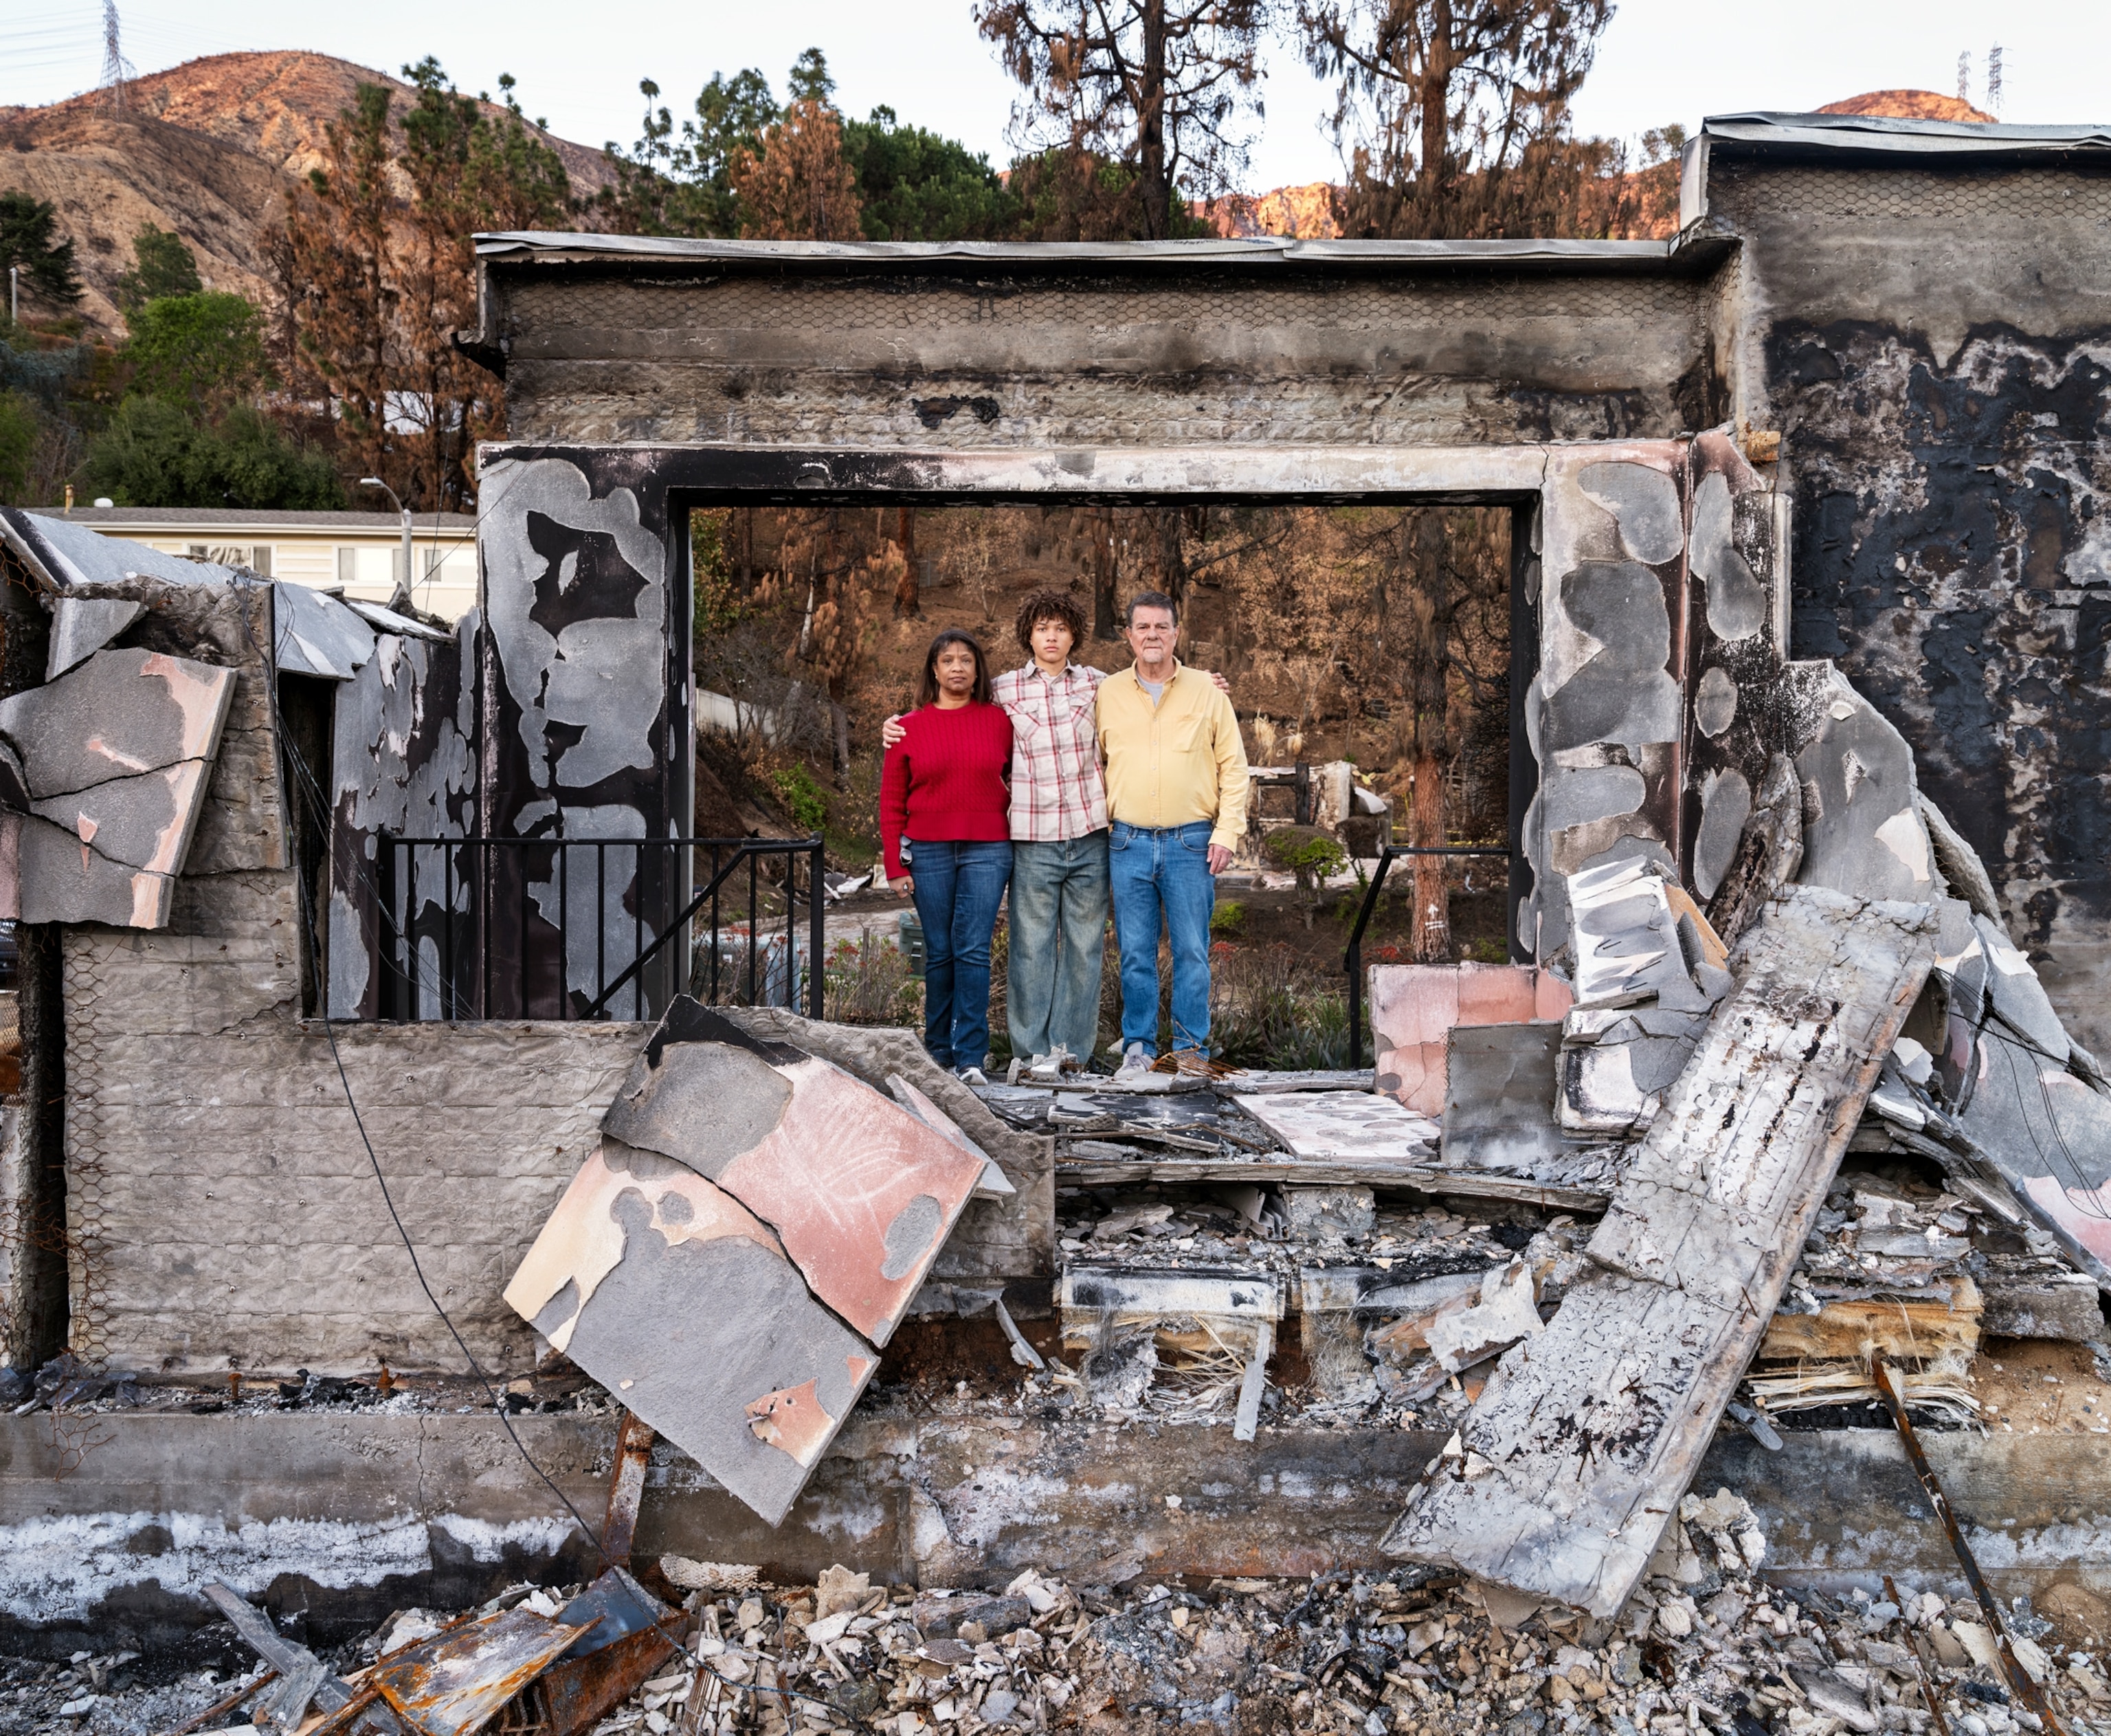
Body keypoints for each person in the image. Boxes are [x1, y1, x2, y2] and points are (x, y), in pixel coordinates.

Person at [882, 591, 1233, 1067]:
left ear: (1074, 636)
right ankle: (1030, 1055)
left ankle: (1072, 1054)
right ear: (1028, 635)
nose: (1051, 636)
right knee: (1030, 950)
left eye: (1061, 629)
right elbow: (951, 712)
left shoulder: (1101, 686)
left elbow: (1154, 682)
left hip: (1091, 836)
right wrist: (899, 724)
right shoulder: (1002, 691)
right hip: (1031, 839)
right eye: (1042, 628)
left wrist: (1204, 683)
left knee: (1086, 949)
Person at [1095, 590, 1249, 1075]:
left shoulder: (1207, 690)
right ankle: (1139, 1047)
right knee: (1135, 953)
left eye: (1162, 626)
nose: (1152, 635)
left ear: (1177, 633)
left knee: (1191, 952)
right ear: (1128, 636)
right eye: (1143, 627)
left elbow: (1234, 766)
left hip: (1191, 843)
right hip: (1128, 842)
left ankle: (1189, 1053)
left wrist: (1227, 832)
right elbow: (1093, 762)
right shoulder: (1107, 693)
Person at [878, 630, 1013, 1080]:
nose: (957, 667)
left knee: (973, 950)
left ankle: (971, 1056)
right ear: (933, 670)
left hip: (989, 848)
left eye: (966, 660)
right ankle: (938, 1052)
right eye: (948, 660)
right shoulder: (907, 729)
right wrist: (894, 867)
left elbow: (1020, 776)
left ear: (978, 671)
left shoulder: (1000, 721)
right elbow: (891, 803)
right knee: (939, 952)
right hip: (928, 851)